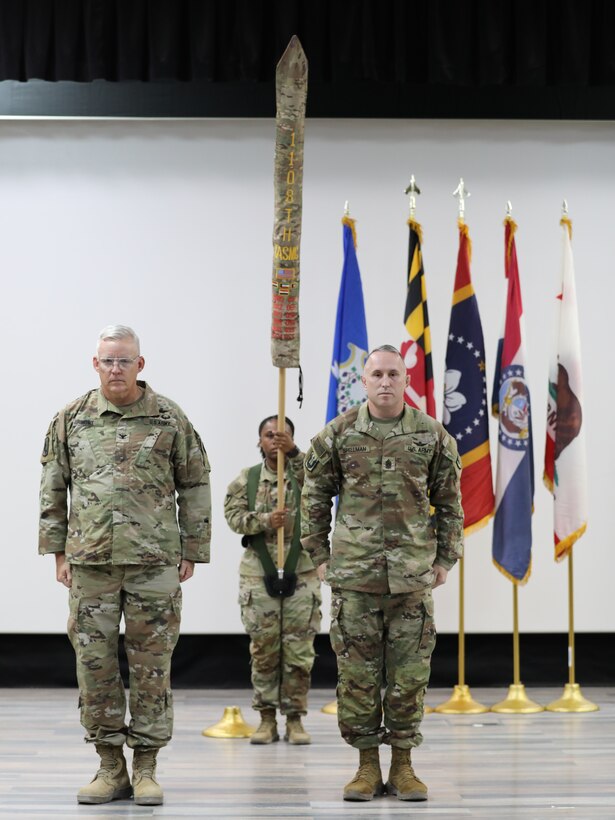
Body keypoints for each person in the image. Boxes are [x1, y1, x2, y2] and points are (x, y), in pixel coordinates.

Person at [38, 325, 211, 806]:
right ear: (95, 364)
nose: (116, 368)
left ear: (141, 364)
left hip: (154, 563)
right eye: (108, 360)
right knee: (94, 667)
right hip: (90, 563)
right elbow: (53, 489)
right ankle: (109, 765)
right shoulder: (71, 418)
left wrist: (192, 549)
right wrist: (58, 554)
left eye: (125, 360)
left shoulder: (169, 417)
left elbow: (195, 484)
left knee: (152, 667)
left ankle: (148, 767)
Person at [301, 345, 463, 802]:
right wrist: (320, 556)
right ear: (364, 381)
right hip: (354, 579)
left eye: (394, 373)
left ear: (406, 381)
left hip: (412, 579)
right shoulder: (338, 434)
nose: (386, 382)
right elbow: (312, 497)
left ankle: (405, 766)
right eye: (377, 374)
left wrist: (445, 559)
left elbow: (450, 503)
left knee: (410, 675)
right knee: (358, 676)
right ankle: (367, 766)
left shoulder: (431, 435)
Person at [224, 415, 321, 745]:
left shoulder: (303, 474)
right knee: (264, 650)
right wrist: (266, 519)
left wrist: (294, 453)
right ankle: (266, 718)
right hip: (258, 573)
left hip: (303, 572)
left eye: (283, 436)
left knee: (299, 651)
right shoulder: (247, 480)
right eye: (269, 435)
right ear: (259, 441)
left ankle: (295, 718)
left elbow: (322, 480)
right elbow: (233, 517)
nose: (275, 440)